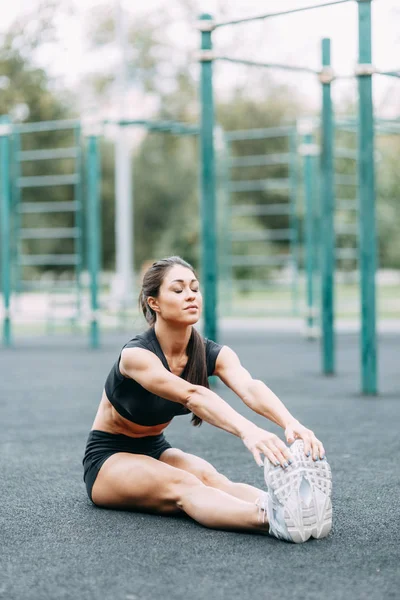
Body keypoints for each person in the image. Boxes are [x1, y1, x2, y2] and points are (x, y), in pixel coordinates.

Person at [82, 256, 332, 543]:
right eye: (178, 290)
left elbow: (250, 387)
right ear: (155, 303)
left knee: (211, 478)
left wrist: (290, 422)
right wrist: (248, 431)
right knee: (185, 484)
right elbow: (192, 395)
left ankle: (298, 508)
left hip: (154, 448)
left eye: (194, 288)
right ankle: (274, 519)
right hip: (108, 459)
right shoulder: (136, 356)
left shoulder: (211, 353)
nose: (190, 295)